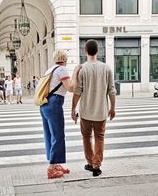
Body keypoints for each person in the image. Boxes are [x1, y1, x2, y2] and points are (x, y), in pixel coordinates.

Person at [72, 39, 116, 177]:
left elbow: (77, 92)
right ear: (98, 51)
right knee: (99, 137)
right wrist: (112, 108)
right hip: (101, 112)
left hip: (85, 112)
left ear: (85, 51)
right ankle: (97, 165)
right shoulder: (106, 68)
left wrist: (73, 109)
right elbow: (112, 90)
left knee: (86, 137)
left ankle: (90, 163)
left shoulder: (82, 69)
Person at [40, 50, 81, 179]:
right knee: (58, 136)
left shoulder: (50, 70)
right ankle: (52, 168)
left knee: (50, 135)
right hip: (54, 104)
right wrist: (75, 72)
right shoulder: (62, 69)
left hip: (44, 104)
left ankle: (55, 162)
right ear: (64, 59)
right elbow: (70, 88)